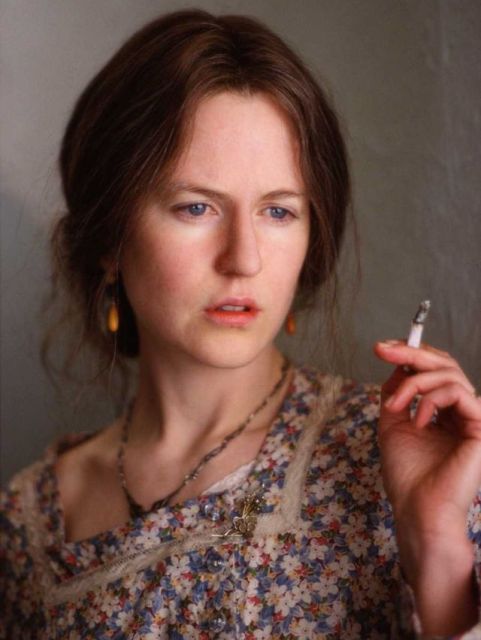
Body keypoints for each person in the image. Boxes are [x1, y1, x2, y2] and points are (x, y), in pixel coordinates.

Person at [1, 9, 480, 639]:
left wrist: (436, 543)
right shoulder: (29, 524)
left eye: (278, 212)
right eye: (196, 207)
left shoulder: (409, 460)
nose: (245, 259)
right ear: (111, 239)